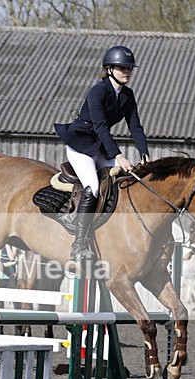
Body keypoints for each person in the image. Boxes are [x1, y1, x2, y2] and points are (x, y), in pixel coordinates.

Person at [54, 45, 150, 262]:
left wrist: (144, 153)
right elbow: (100, 128)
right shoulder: (98, 92)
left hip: (99, 147)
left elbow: (135, 126)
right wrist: (119, 155)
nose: (127, 71)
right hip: (81, 147)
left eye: (129, 68)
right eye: (122, 67)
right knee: (94, 187)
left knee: (125, 178)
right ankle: (79, 244)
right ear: (109, 69)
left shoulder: (127, 95)